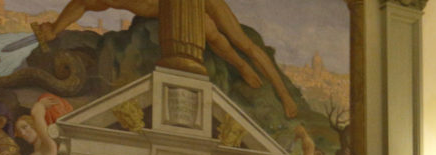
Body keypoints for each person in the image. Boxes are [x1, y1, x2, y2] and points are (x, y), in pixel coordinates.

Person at [37, 0, 299, 118]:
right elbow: (82, 3)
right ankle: (240, 65)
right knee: (212, 36)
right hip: (174, 17)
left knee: (243, 43)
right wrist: (55, 29)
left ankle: (283, 94)